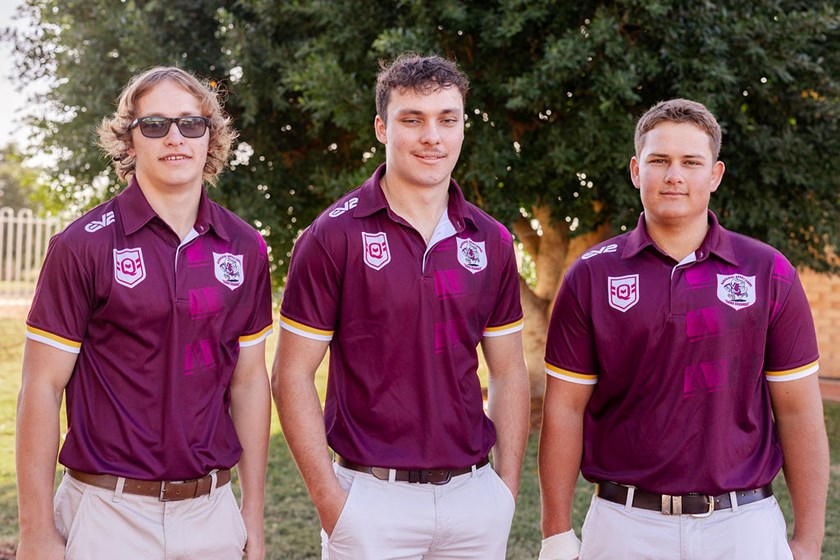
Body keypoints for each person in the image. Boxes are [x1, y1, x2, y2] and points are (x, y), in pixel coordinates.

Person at [538, 98, 828, 560]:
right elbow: (564, 410)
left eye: (691, 162)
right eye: (659, 160)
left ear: (714, 174)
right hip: (623, 525)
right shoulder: (591, 276)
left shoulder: (768, 272)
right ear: (636, 170)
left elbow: (798, 413)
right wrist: (555, 532)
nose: (674, 175)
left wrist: (809, 543)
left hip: (742, 525)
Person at [272, 52, 530, 559]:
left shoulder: (493, 240)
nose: (432, 137)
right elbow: (291, 375)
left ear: (461, 127)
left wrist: (505, 490)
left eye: (447, 120)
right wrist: (331, 502)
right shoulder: (332, 236)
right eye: (412, 120)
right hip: (371, 502)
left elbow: (509, 371)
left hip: (474, 499)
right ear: (381, 128)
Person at [16, 66, 273, 560]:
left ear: (210, 138)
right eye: (154, 124)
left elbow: (248, 383)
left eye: (191, 124)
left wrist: (251, 517)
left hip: (211, 514)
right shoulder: (80, 246)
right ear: (129, 141)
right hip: (107, 516)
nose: (175, 137)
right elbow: (41, 389)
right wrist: (36, 531)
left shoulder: (245, 247)